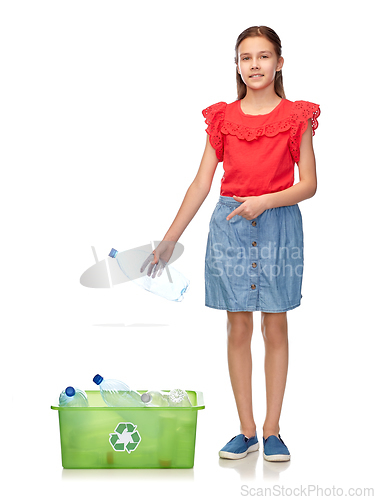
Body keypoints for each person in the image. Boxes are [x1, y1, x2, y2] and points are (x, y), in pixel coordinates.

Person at [141, 25, 320, 462]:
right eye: (246, 57)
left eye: (263, 56)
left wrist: (265, 202)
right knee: (237, 326)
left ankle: (273, 430)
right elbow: (202, 182)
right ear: (237, 66)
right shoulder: (223, 118)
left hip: (278, 226)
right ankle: (246, 430)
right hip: (231, 229)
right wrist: (169, 240)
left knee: (274, 325)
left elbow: (310, 185)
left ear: (279, 63)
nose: (254, 65)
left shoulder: (296, 116)